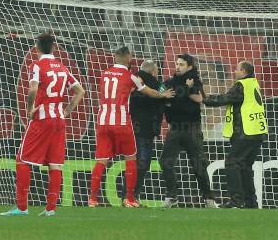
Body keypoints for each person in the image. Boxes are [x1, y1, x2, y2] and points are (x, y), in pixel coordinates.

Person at [0, 33, 86, 216]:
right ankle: (50, 209)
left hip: (42, 118)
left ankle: (22, 208)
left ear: (37, 48)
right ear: (53, 47)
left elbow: (32, 89)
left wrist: (30, 109)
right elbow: (80, 91)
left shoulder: (36, 66)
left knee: (22, 160)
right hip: (59, 120)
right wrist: (68, 111)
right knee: (55, 164)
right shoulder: (63, 68)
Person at [88, 46, 173, 208]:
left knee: (101, 161)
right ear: (128, 58)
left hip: (103, 122)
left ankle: (92, 199)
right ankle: (130, 199)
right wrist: (163, 94)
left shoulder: (104, 75)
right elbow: (149, 92)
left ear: (115, 57)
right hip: (121, 123)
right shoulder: (131, 76)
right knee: (131, 159)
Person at [203, 61, 267, 209]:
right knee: (244, 167)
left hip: (246, 132)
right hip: (257, 132)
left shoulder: (241, 85)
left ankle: (236, 201)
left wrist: (205, 100)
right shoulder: (253, 84)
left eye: (237, 69)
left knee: (232, 163)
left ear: (244, 71)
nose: (234, 72)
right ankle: (251, 202)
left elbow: (226, 98)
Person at [160, 54, 219, 209]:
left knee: (198, 165)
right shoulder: (170, 82)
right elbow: (163, 95)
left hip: (192, 128)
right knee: (165, 161)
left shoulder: (196, 81)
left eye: (181, 64)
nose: (177, 67)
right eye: (177, 64)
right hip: (175, 128)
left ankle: (209, 199)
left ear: (190, 66)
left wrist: (176, 97)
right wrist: (182, 92)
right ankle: (172, 195)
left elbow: (200, 98)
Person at [129, 60, 166, 201]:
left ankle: (129, 195)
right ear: (153, 72)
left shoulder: (132, 79)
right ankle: (133, 195)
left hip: (129, 126)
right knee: (143, 162)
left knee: (131, 161)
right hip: (146, 129)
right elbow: (167, 96)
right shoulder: (157, 84)